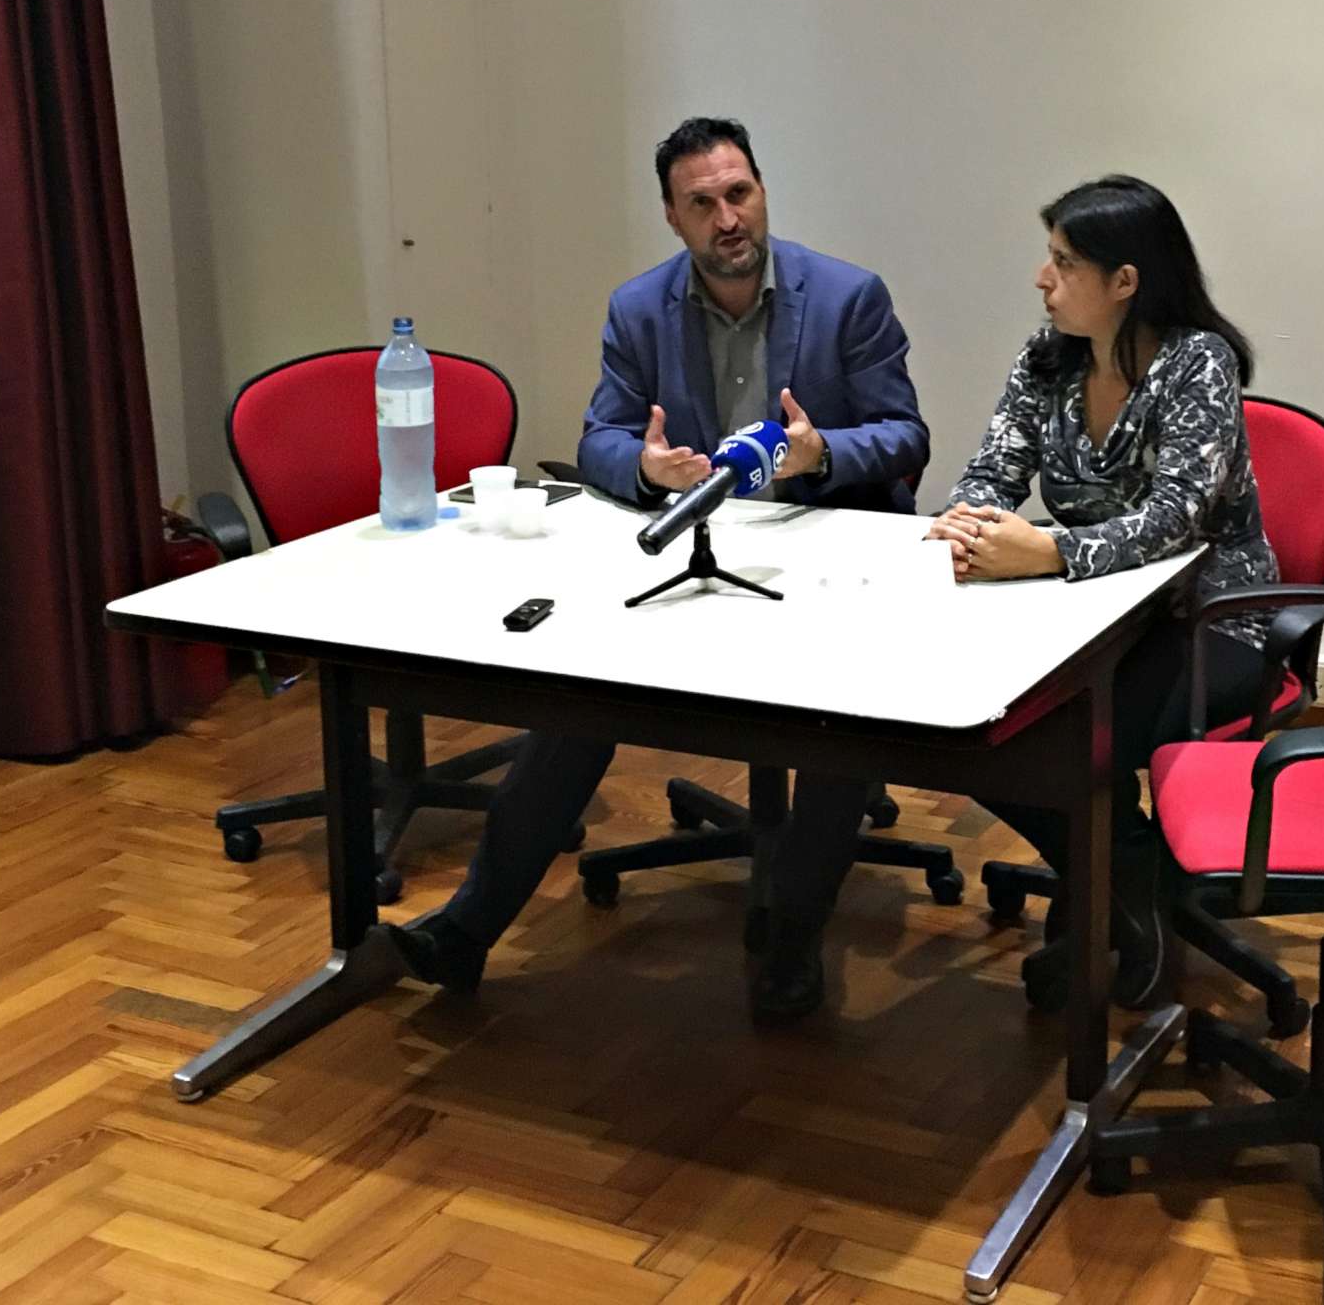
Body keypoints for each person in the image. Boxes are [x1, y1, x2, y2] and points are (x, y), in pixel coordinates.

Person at [391, 118, 930, 1025]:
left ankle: (794, 941)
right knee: (573, 705)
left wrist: (819, 453)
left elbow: (906, 433)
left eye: (741, 194)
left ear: (762, 192)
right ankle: (465, 929)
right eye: (704, 204)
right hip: (690, 547)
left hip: (828, 553)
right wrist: (646, 470)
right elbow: (598, 436)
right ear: (673, 219)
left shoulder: (848, 297)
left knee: (840, 733)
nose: (729, 219)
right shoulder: (640, 309)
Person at [928, 174, 1278, 1009]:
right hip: (1081, 618)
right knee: (971, 726)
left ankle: (1122, 897)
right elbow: (994, 468)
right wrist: (967, 521)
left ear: (1127, 281)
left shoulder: (1198, 362)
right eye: (1048, 259)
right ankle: (1136, 877)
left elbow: (1178, 520)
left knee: (1057, 742)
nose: (1042, 280)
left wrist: (1047, 552)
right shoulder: (1046, 359)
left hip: (1210, 621)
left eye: (1064, 263)